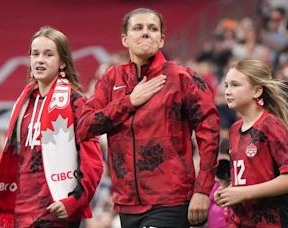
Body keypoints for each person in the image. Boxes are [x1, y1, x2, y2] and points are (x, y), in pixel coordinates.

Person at [76, 8, 220, 228]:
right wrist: (129, 102)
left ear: (161, 40)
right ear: (125, 39)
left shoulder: (183, 78)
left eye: (153, 29)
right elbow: (84, 127)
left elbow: (210, 135)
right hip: (126, 205)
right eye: (138, 28)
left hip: (171, 201)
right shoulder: (110, 79)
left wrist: (202, 190)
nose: (146, 33)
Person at [0, 26, 103, 227]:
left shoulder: (76, 103)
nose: (40, 59)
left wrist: (73, 201)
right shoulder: (22, 105)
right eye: (35, 54)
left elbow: (92, 162)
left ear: (62, 63)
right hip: (19, 212)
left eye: (48, 54)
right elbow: (9, 158)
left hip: (54, 213)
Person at [216, 59, 288, 227]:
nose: (227, 91)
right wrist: (228, 192)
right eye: (226, 85)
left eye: (235, 85)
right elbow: (246, 181)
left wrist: (243, 193)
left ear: (257, 91)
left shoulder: (270, 125)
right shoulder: (234, 130)